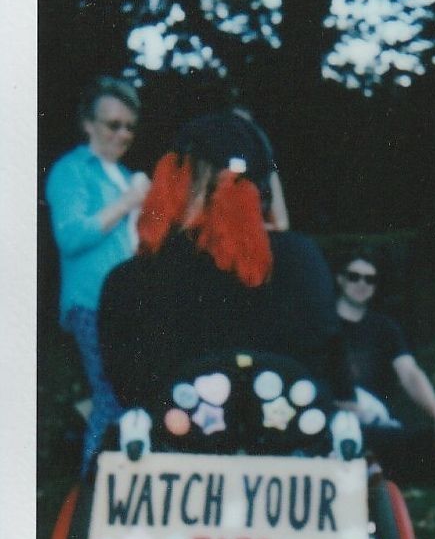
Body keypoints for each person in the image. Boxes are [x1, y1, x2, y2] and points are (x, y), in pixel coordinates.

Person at [98, 115, 348, 418]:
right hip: (289, 446)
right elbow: (328, 365)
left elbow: (128, 387)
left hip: (174, 450)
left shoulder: (127, 281)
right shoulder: (303, 261)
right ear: (264, 191)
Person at [45, 76, 150, 474]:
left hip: (127, 306)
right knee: (110, 393)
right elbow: (70, 237)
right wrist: (127, 203)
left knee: (124, 395)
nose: (123, 134)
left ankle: (116, 484)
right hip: (90, 303)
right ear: (88, 124)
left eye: (129, 126)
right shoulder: (72, 171)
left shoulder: (124, 176)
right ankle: (93, 489)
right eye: (113, 124)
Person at [334, 249, 435, 483]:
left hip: (377, 422)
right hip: (333, 415)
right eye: (354, 276)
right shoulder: (323, 323)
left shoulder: (385, 328)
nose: (362, 284)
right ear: (340, 279)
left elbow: (410, 373)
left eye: (370, 279)